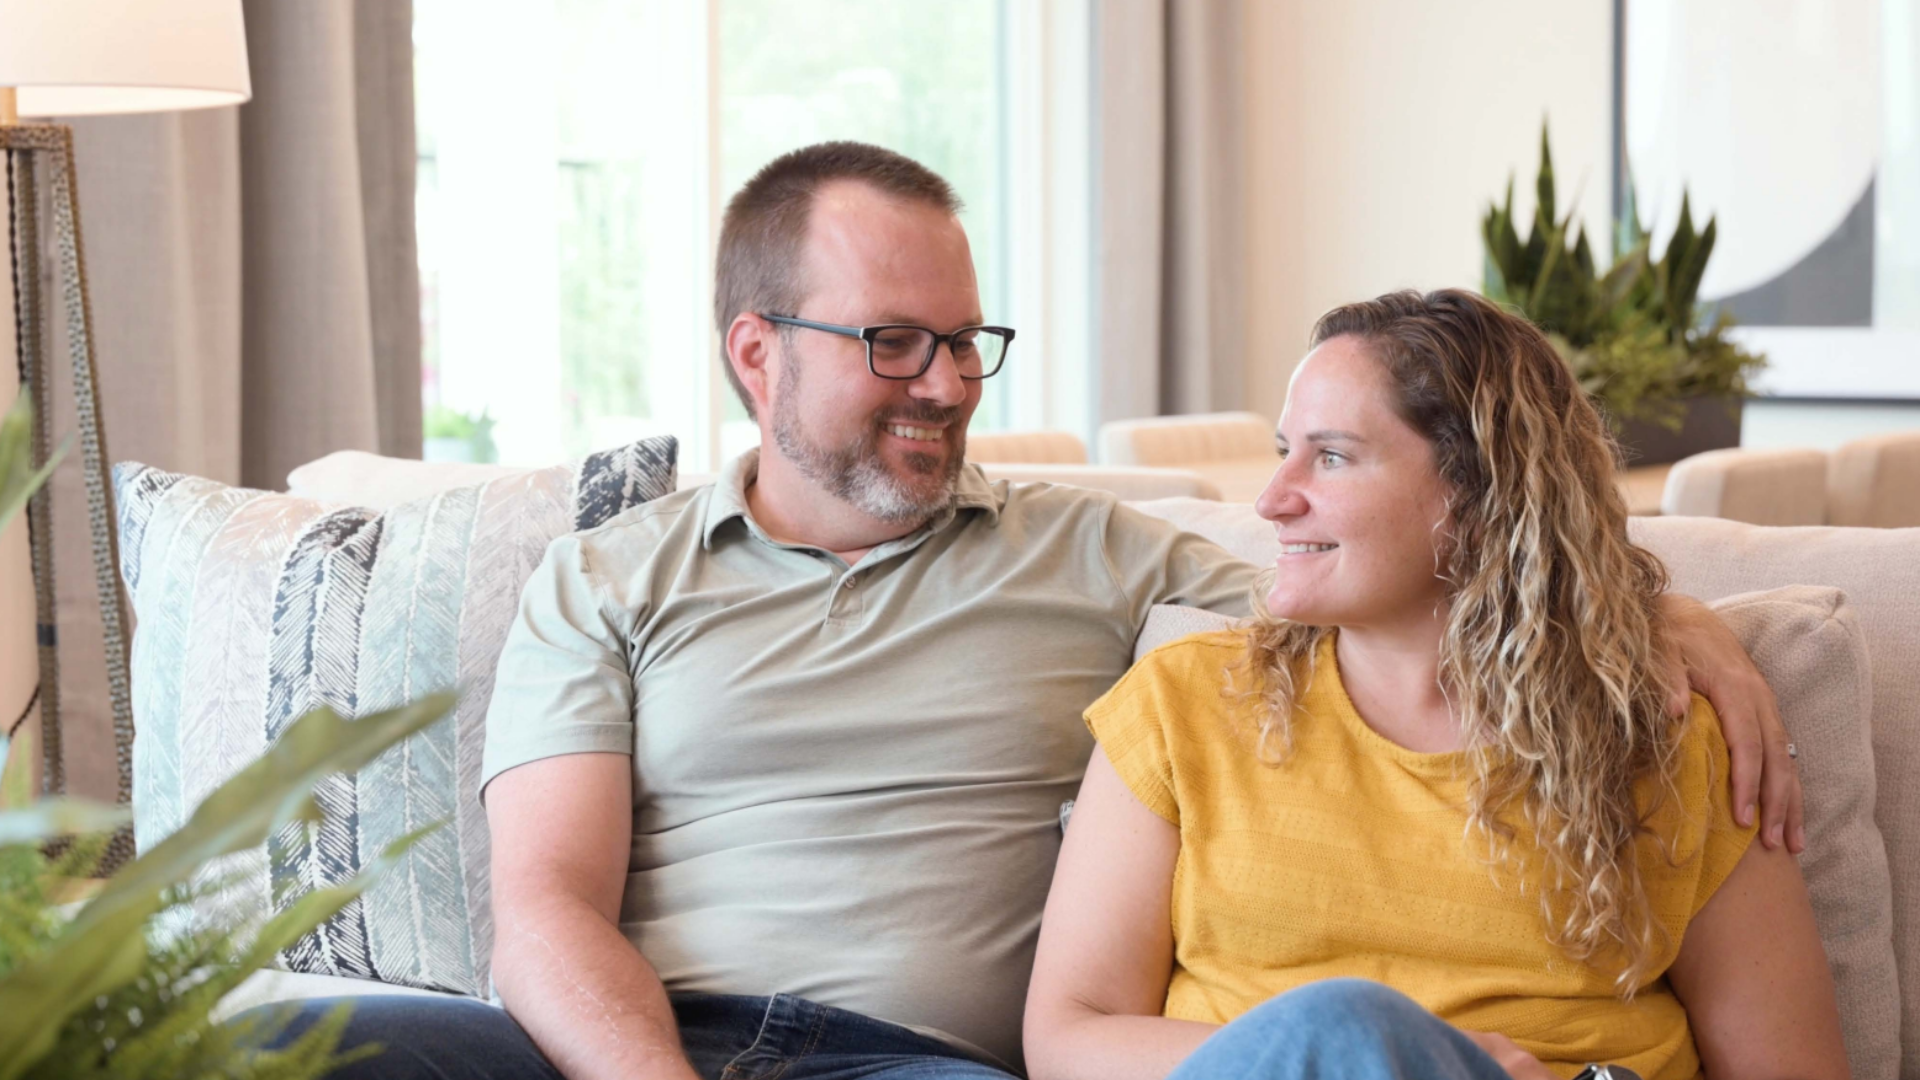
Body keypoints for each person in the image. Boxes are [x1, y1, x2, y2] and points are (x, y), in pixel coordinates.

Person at [266, 145, 1803, 1080]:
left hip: (917, 1065)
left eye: (965, 340)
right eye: (893, 343)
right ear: (757, 352)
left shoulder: (1099, 560)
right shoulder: (608, 581)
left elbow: (1419, 582)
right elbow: (540, 907)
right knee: (256, 1051)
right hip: (622, 1049)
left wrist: (1677, 614)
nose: (947, 383)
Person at [1021, 289, 1845, 1080]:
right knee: (1340, 1023)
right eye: (1284, 453)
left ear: (1479, 493)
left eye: (1332, 456)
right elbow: (1069, 1036)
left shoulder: (1664, 735)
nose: (1272, 500)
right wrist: (1351, 1062)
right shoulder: (1184, 704)